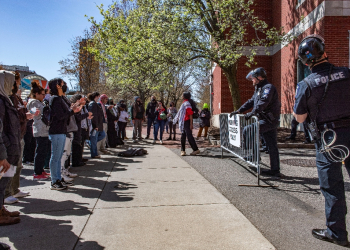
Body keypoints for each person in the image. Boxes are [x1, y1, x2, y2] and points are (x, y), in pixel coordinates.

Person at [293, 34, 350, 247]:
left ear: (306, 62)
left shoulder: (306, 84)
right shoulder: (346, 73)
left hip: (329, 139)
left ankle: (336, 233)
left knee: (333, 186)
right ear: (324, 52)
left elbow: (300, 117)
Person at [230, 67, 281, 176]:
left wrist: (252, 113)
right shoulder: (258, 89)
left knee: (248, 129)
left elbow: (264, 102)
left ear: (259, 77)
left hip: (269, 120)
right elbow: (251, 101)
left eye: (253, 78)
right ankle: (275, 170)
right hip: (265, 120)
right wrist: (239, 110)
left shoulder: (268, 88)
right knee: (272, 145)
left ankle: (254, 155)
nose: (252, 81)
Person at [5, 72, 37, 204]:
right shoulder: (6, 99)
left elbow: (21, 113)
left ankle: (15, 189)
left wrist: (27, 115)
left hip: (19, 135)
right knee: (9, 166)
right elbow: (10, 119)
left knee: (18, 165)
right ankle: (6, 193)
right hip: (10, 138)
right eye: (17, 82)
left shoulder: (16, 98)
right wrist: (25, 116)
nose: (18, 84)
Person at [48, 78, 81, 190]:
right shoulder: (55, 99)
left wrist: (72, 109)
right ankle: (54, 180)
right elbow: (60, 115)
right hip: (56, 131)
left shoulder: (60, 98)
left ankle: (58, 178)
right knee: (56, 157)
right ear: (57, 86)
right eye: (63, 84)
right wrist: (72, 111)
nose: (65, 86)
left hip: (61, 131)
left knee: (58, 157)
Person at [0, 70, 21, 225]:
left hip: (8, 147)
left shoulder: (4, 99)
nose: (14, 85)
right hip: (5, 150)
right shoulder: (0, 101)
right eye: (11, 81)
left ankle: (1, 208)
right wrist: (3, 152)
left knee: (3, 183)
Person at [27, 82, 51, 180]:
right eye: (42, 94)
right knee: (40, 151)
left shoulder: (40, 102)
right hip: (40, 129)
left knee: (44, 151)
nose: (44, 96)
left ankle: (40, 170)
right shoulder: (33, 102)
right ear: (36, 94)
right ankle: (37, 172)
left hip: (44, 129)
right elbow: (32, 113)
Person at [70, 94, 92, 167]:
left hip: (83, 127)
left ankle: (80, 158)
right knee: (76, 145)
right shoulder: (74, 107)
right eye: (83, 99)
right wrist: (86, 115)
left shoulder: (84, 107)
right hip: (77, 128)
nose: (84, 101)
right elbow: (78, 117)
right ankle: (76, 161)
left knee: (81, 144)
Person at [88, 92, 105, 158]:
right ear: (96, 96)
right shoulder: (92, 104)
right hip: (95, 126)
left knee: (102, 135)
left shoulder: (94, 104)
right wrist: (95, 126)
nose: (99, 98)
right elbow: (93, 115)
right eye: (98, 96)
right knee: (94, 139)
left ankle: (90, 143)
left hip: (98, 125)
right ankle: (94, 154)